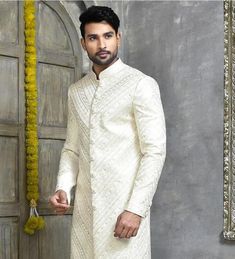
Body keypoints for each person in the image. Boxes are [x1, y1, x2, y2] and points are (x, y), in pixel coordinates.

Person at [49, 5, 166, 259]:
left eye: (108, 36)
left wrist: (136, 209)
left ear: (118, 38)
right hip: (84, 215)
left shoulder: (140, 85)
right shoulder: (76, 91)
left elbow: (154, 153)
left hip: (123, 212)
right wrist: (62, 187)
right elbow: (72, 148)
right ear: (83, 43)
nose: (101, 44)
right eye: (93, 37)